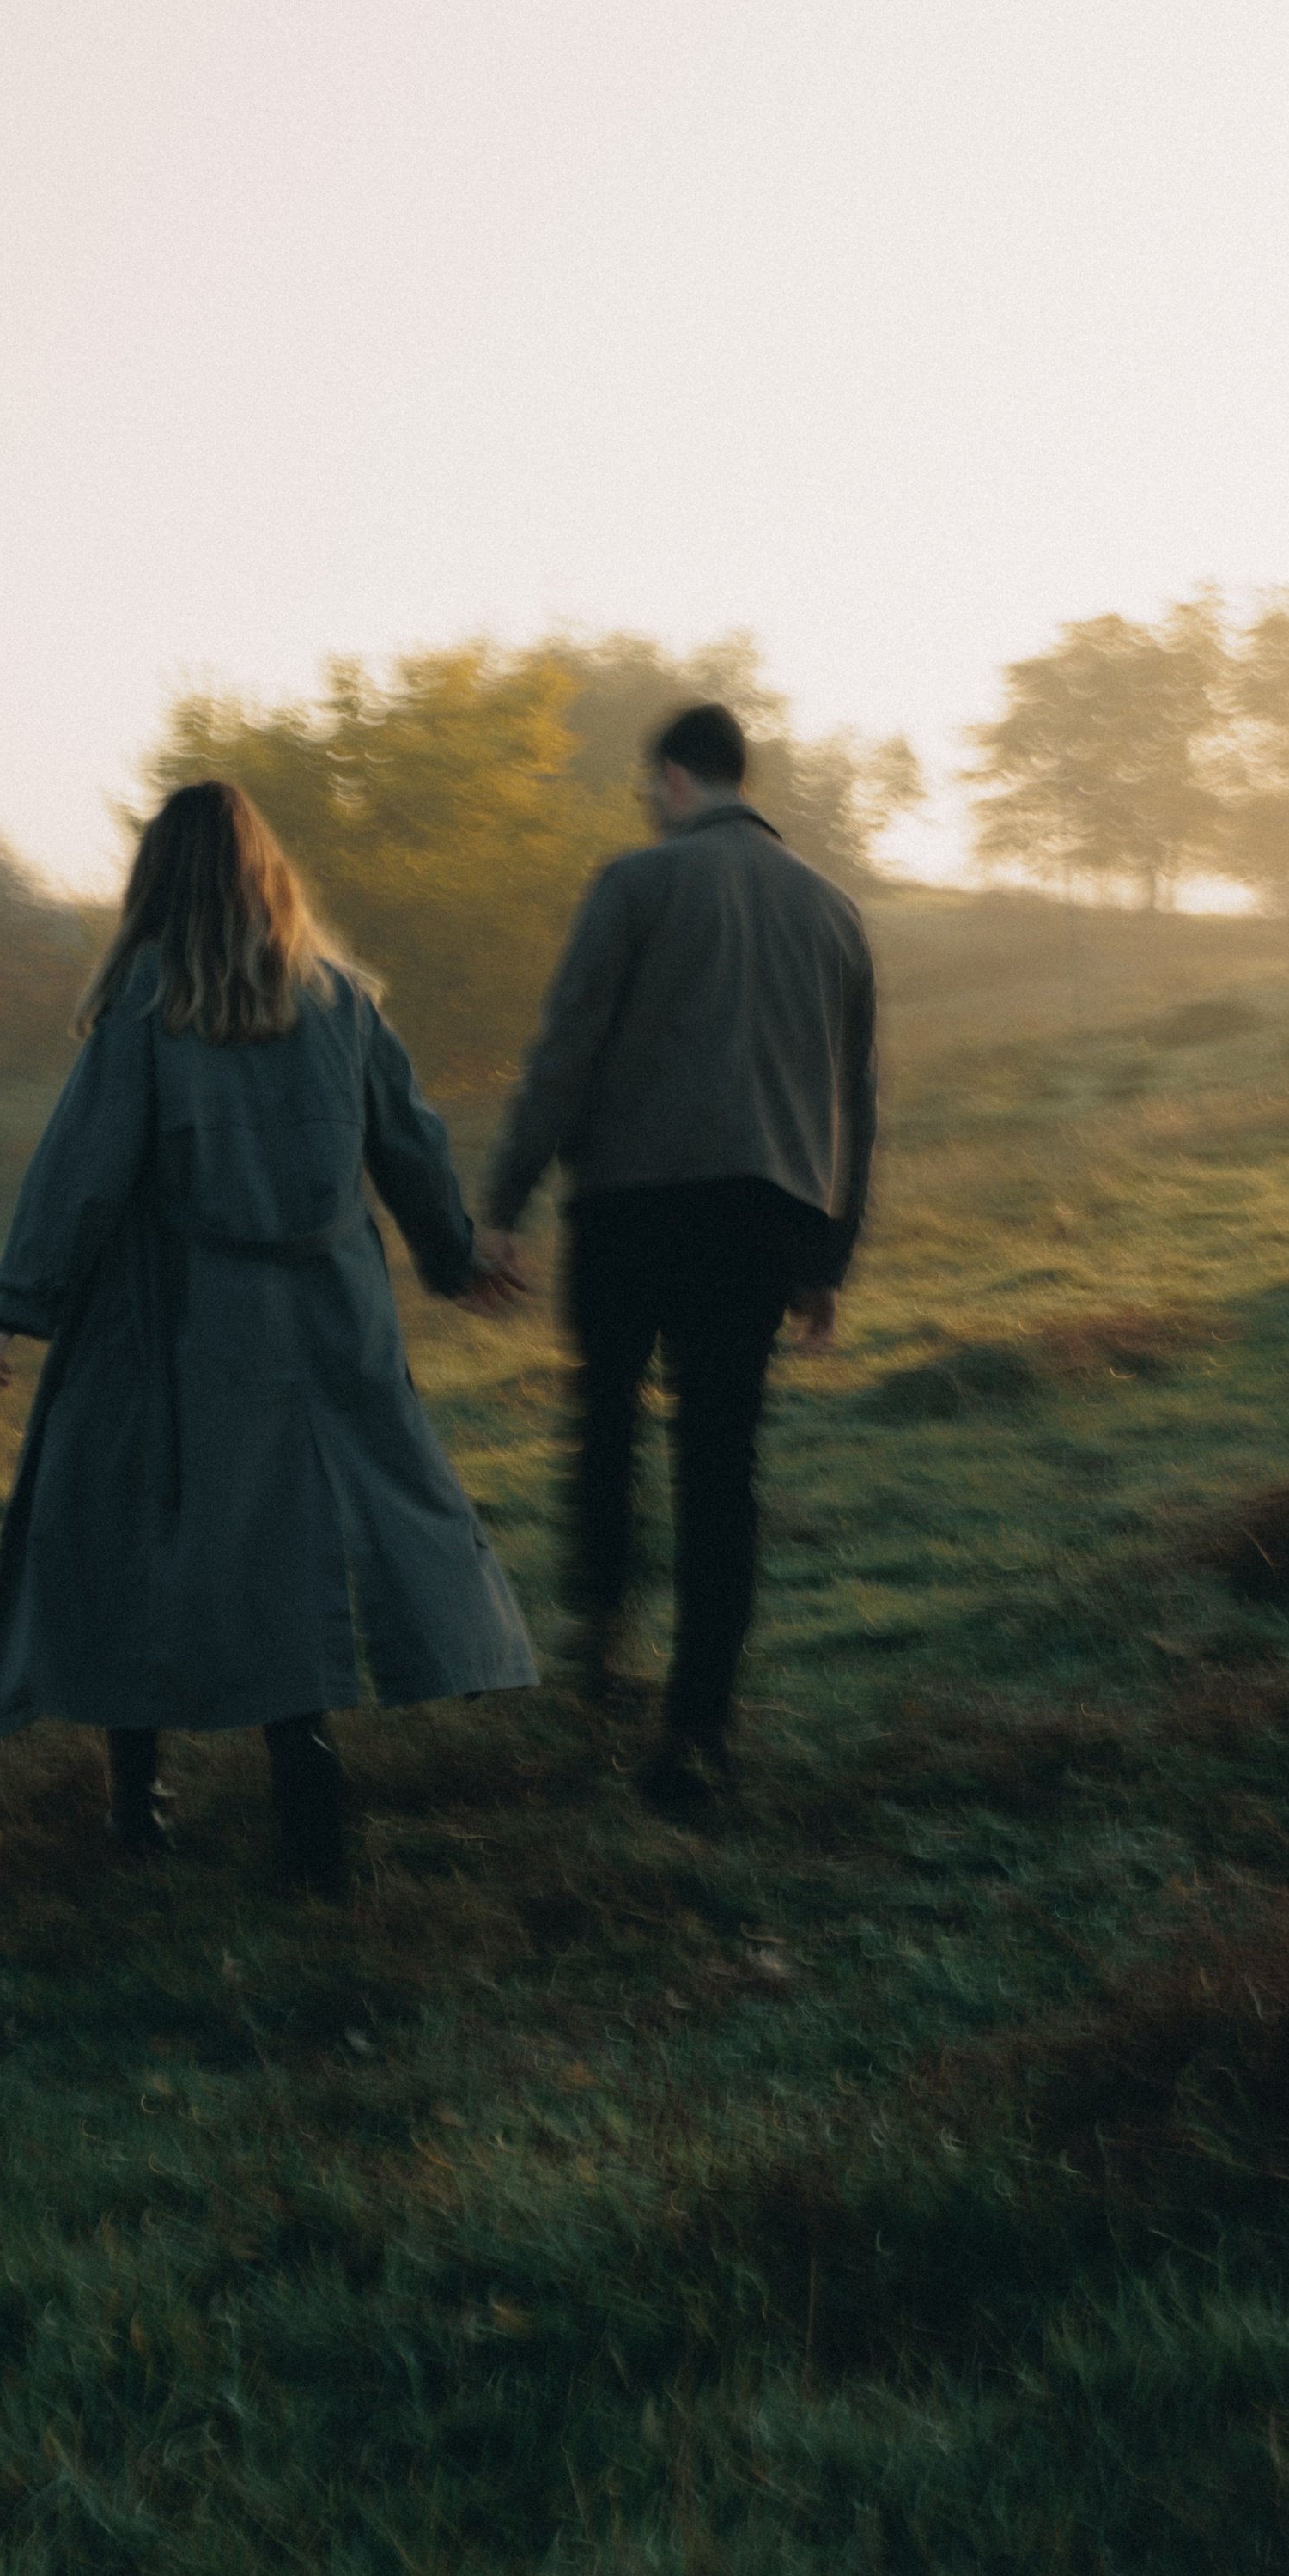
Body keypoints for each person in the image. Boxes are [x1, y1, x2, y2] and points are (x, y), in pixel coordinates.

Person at [0, 777, 535, 1893]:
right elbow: (410, 1146)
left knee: (128, 1529)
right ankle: (307, 1789)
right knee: (301, 1543)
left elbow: (86, 1168)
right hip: (328, 1324)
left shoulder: (145, 1007)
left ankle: (140, 1807)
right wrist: (456, 1260)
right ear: (266, 873)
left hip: (171, 1324)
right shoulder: (342, 1000)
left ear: (157, 884)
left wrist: (15, 1305)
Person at [478, 702, 876, 1820]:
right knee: (721, 1464)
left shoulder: (636, 884)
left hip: (628, 1208)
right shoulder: (835, 915)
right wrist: (827, 1257)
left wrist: (505, 1199)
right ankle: (697, 1729)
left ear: (671, 780)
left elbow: (567, 1047)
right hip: (760, 1218)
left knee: (604, 1422)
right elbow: (859, 1106)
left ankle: (600, 1650)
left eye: (649, 787)